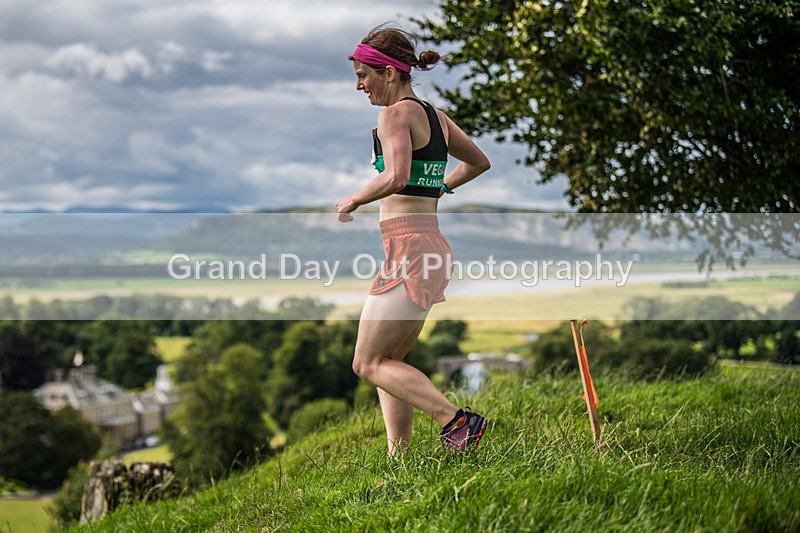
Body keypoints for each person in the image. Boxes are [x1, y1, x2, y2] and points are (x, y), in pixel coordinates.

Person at [336, 26, 491, 456]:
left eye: (364, 74)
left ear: (389, 72)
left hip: (411, 250)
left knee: (366, 362)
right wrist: (440, 189)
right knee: (389, 362)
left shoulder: (394, 115)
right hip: (431, 246)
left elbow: (397, 176)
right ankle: (397, 458)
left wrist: (355, 198)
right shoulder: (435, 117)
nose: (358, 85)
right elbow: (478, 162)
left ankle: (457, 421)